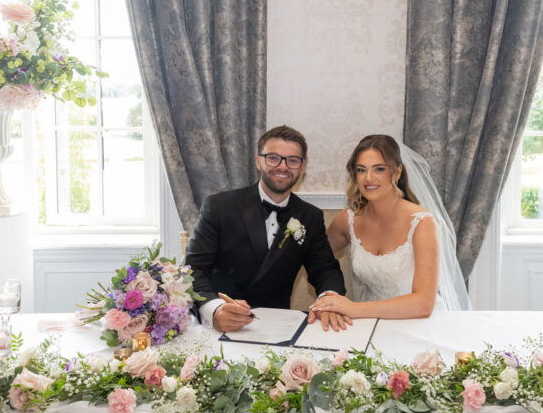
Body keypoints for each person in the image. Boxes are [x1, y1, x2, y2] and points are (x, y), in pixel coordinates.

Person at [186, 125, 350, 333]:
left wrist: (329, 300)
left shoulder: (310, 216)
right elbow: (193, 270)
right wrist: (214, 310)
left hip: (275, 327)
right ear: (258, 161)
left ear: (302, 166)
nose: (282, 167)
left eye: (292, 160)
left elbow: (325, 269)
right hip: (220, 325)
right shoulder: (219, 206)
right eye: (273, 158)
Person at [311, 134, 470, 319]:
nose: (368, 178)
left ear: (397, 172)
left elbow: (424, 304)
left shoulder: (421, 223)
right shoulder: (348, 220)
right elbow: (314, 255)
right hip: (371, 324)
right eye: (361, 170)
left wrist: (353, 309)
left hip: (418, 322)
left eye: (379, 169)